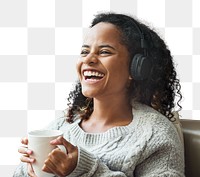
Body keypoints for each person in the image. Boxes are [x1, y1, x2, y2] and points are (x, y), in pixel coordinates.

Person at [13, 12, 185, 177]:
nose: (88, 59)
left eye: (104, 52)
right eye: (84, 51)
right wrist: (31, 167)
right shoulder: (63, 124)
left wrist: (81, 168)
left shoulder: (154, 134)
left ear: (136, 68)